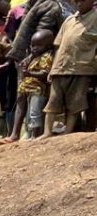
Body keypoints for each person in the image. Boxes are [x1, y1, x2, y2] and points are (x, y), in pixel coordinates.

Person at [43, 0, 97, 137]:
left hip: (81, 68)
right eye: (76, 1)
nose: (78, 4)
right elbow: (58, 45)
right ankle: (47, 132)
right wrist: (52, 68)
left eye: (82, 1)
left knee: (76, 103)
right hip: (60, 67)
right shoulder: (69, 20)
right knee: (53, 102)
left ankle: (68, 133)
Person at [6, 29, 55, 141]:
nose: (34, 48)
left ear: (48, 46)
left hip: (37, 89)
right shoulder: (32, 56)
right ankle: (16, 134)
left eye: (39, 45)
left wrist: (29, 73)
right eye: (33, 45)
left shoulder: (46, 56)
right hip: (25, 88)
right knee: (23, 111)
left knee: (34, 112)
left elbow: (45, 73)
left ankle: (35, 135)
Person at [7, 0, 67, 65]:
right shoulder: (50, 5)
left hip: (32, 52)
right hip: (43, 56)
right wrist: (31, 56)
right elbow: (41, 37)